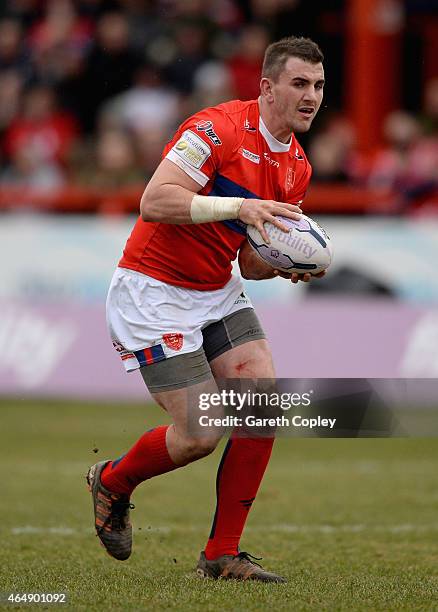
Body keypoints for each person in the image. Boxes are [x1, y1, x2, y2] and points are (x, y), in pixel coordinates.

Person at [87, 36, 326, 582]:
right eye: (298, 84)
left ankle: (221, 554)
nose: (310, 96)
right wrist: (240, 204)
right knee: (198, 432)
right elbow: (156, 199)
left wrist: (285, 262)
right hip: (152, 291)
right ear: (267, 88)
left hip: (216, 290)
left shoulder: (297, 168)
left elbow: (248, 262)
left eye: (317, 86)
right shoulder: (213, 130)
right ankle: (113, 482)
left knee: (262, 404)